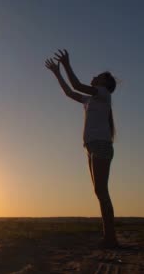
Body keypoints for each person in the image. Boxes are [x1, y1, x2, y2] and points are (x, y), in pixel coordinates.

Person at [45, 49, 119, 248]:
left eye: (99, 76)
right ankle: (109, 237)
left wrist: (67, 64)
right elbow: (70, 92)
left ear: (104, 84)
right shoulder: (90, 100)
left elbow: (77, 85)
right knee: (99, 191)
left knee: (102, 191)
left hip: (101, 146)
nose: (94, 76)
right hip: (92, 146)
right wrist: (57, 72)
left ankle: (111, 238)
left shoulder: (103, 94)